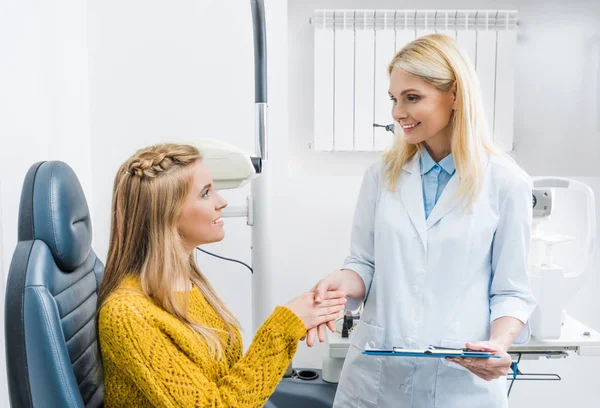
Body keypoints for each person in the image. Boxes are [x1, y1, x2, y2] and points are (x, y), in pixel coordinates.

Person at [310, 34, 537, 408]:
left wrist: (497, 344)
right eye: (394, 99)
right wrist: (341, 282)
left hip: (460, 384)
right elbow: (363, 263)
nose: (398, 112)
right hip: (376, 382)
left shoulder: (506, 182)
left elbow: (511, 290)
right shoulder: (381, 175)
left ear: (456, 96)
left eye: (412, 97)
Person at [97, 143, 346, 407]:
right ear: (166, 214)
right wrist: (282, 328)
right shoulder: (127, 314)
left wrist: (298, 320)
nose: (222, 202)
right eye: (205, 193)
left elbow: (226, 381)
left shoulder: (187, 281)